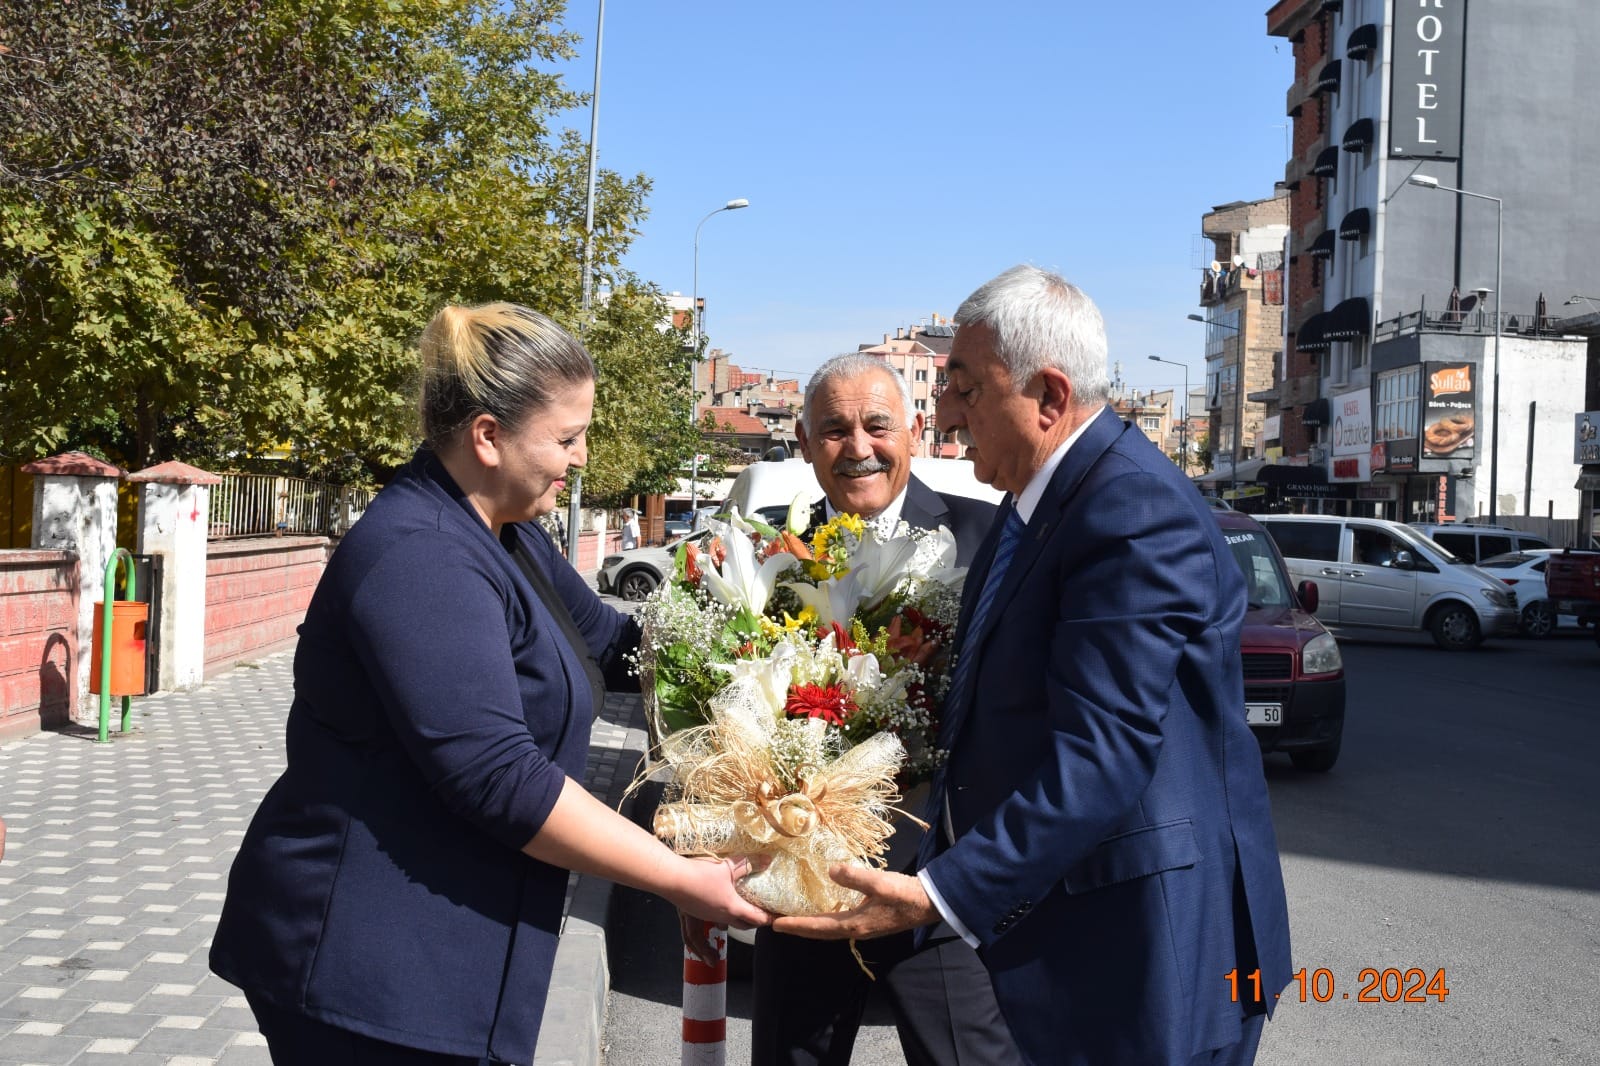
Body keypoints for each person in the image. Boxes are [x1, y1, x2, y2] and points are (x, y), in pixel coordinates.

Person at [209, 303, 767, 1066]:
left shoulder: (509, 536)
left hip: (440, 952)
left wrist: (771, 666)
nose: (580, 461)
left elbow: (615, 648)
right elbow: (501, 776)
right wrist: (674, 877)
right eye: (566, 438)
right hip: (366, 966)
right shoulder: (421, 558)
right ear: (487, 436)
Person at [774, 266, 1292, 1066]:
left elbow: (1105, 751)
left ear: (1050, 398)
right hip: (1072, 930)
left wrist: (939, 892)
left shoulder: (1127, 510)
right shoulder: (1042, 503)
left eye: (965, 388)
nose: (944, 416)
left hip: (1146, 947)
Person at [746, 353, 1018, 1066]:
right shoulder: (767, 555)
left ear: (915, 431)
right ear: (804, 445)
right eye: (833, 430)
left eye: (876, 425)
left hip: (940, 894)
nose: (858, 447)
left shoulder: (989, 537)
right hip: (804, 889)